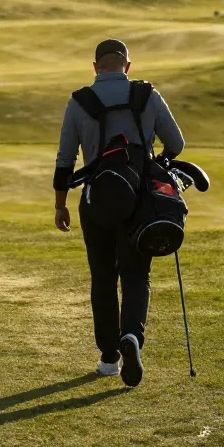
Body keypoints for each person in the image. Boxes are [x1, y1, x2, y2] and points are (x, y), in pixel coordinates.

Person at [52, 39, 184, 387]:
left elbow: (65, 159)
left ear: (95, 67)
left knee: (103, 277)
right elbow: (177, 143)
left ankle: (109, 357)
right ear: (127, 65)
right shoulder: (147, 95)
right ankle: (132, 338)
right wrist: (157, 161)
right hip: (140, 200)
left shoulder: (80, 100)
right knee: (136, 275)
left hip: (96, 199)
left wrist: (60, 204)